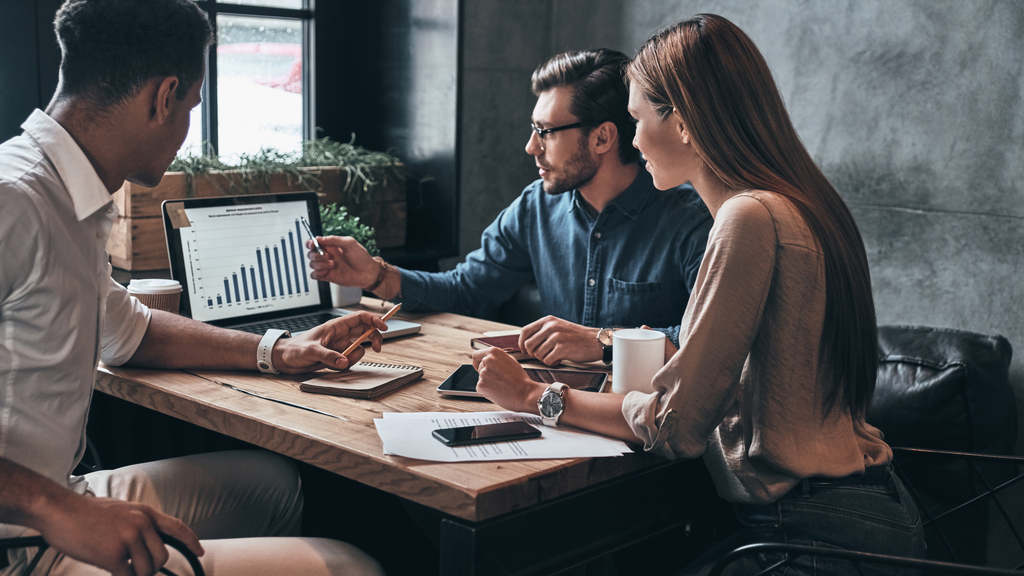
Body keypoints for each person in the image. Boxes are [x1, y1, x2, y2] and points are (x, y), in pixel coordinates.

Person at [472, 14, 925, 575]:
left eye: (636, 119)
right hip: (861, 517)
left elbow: (675, 426)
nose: (632, 140)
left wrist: (532, 396)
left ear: (682, 122)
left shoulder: (748, 218)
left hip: (807, 536)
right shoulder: (801, 202)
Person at [0, 1, 385, 575]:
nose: (187, 130)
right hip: (24, 542)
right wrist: (57, 511)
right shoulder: (14, 200)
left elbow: (128, 331)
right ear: (164, 97)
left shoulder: (69, 194)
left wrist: (277, 350)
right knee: (352, 567)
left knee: (277, 484)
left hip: (59, 497)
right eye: (192, 107)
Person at [307, 49, 712, 366]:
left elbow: (706, 343)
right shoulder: (536, 207)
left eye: (545, 133)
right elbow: (467, 290)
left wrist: (603, 340)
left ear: (603, 138)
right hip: (553, 408)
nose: (531, 147)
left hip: (646, 427)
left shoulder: (690, 221)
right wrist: (375, 274)